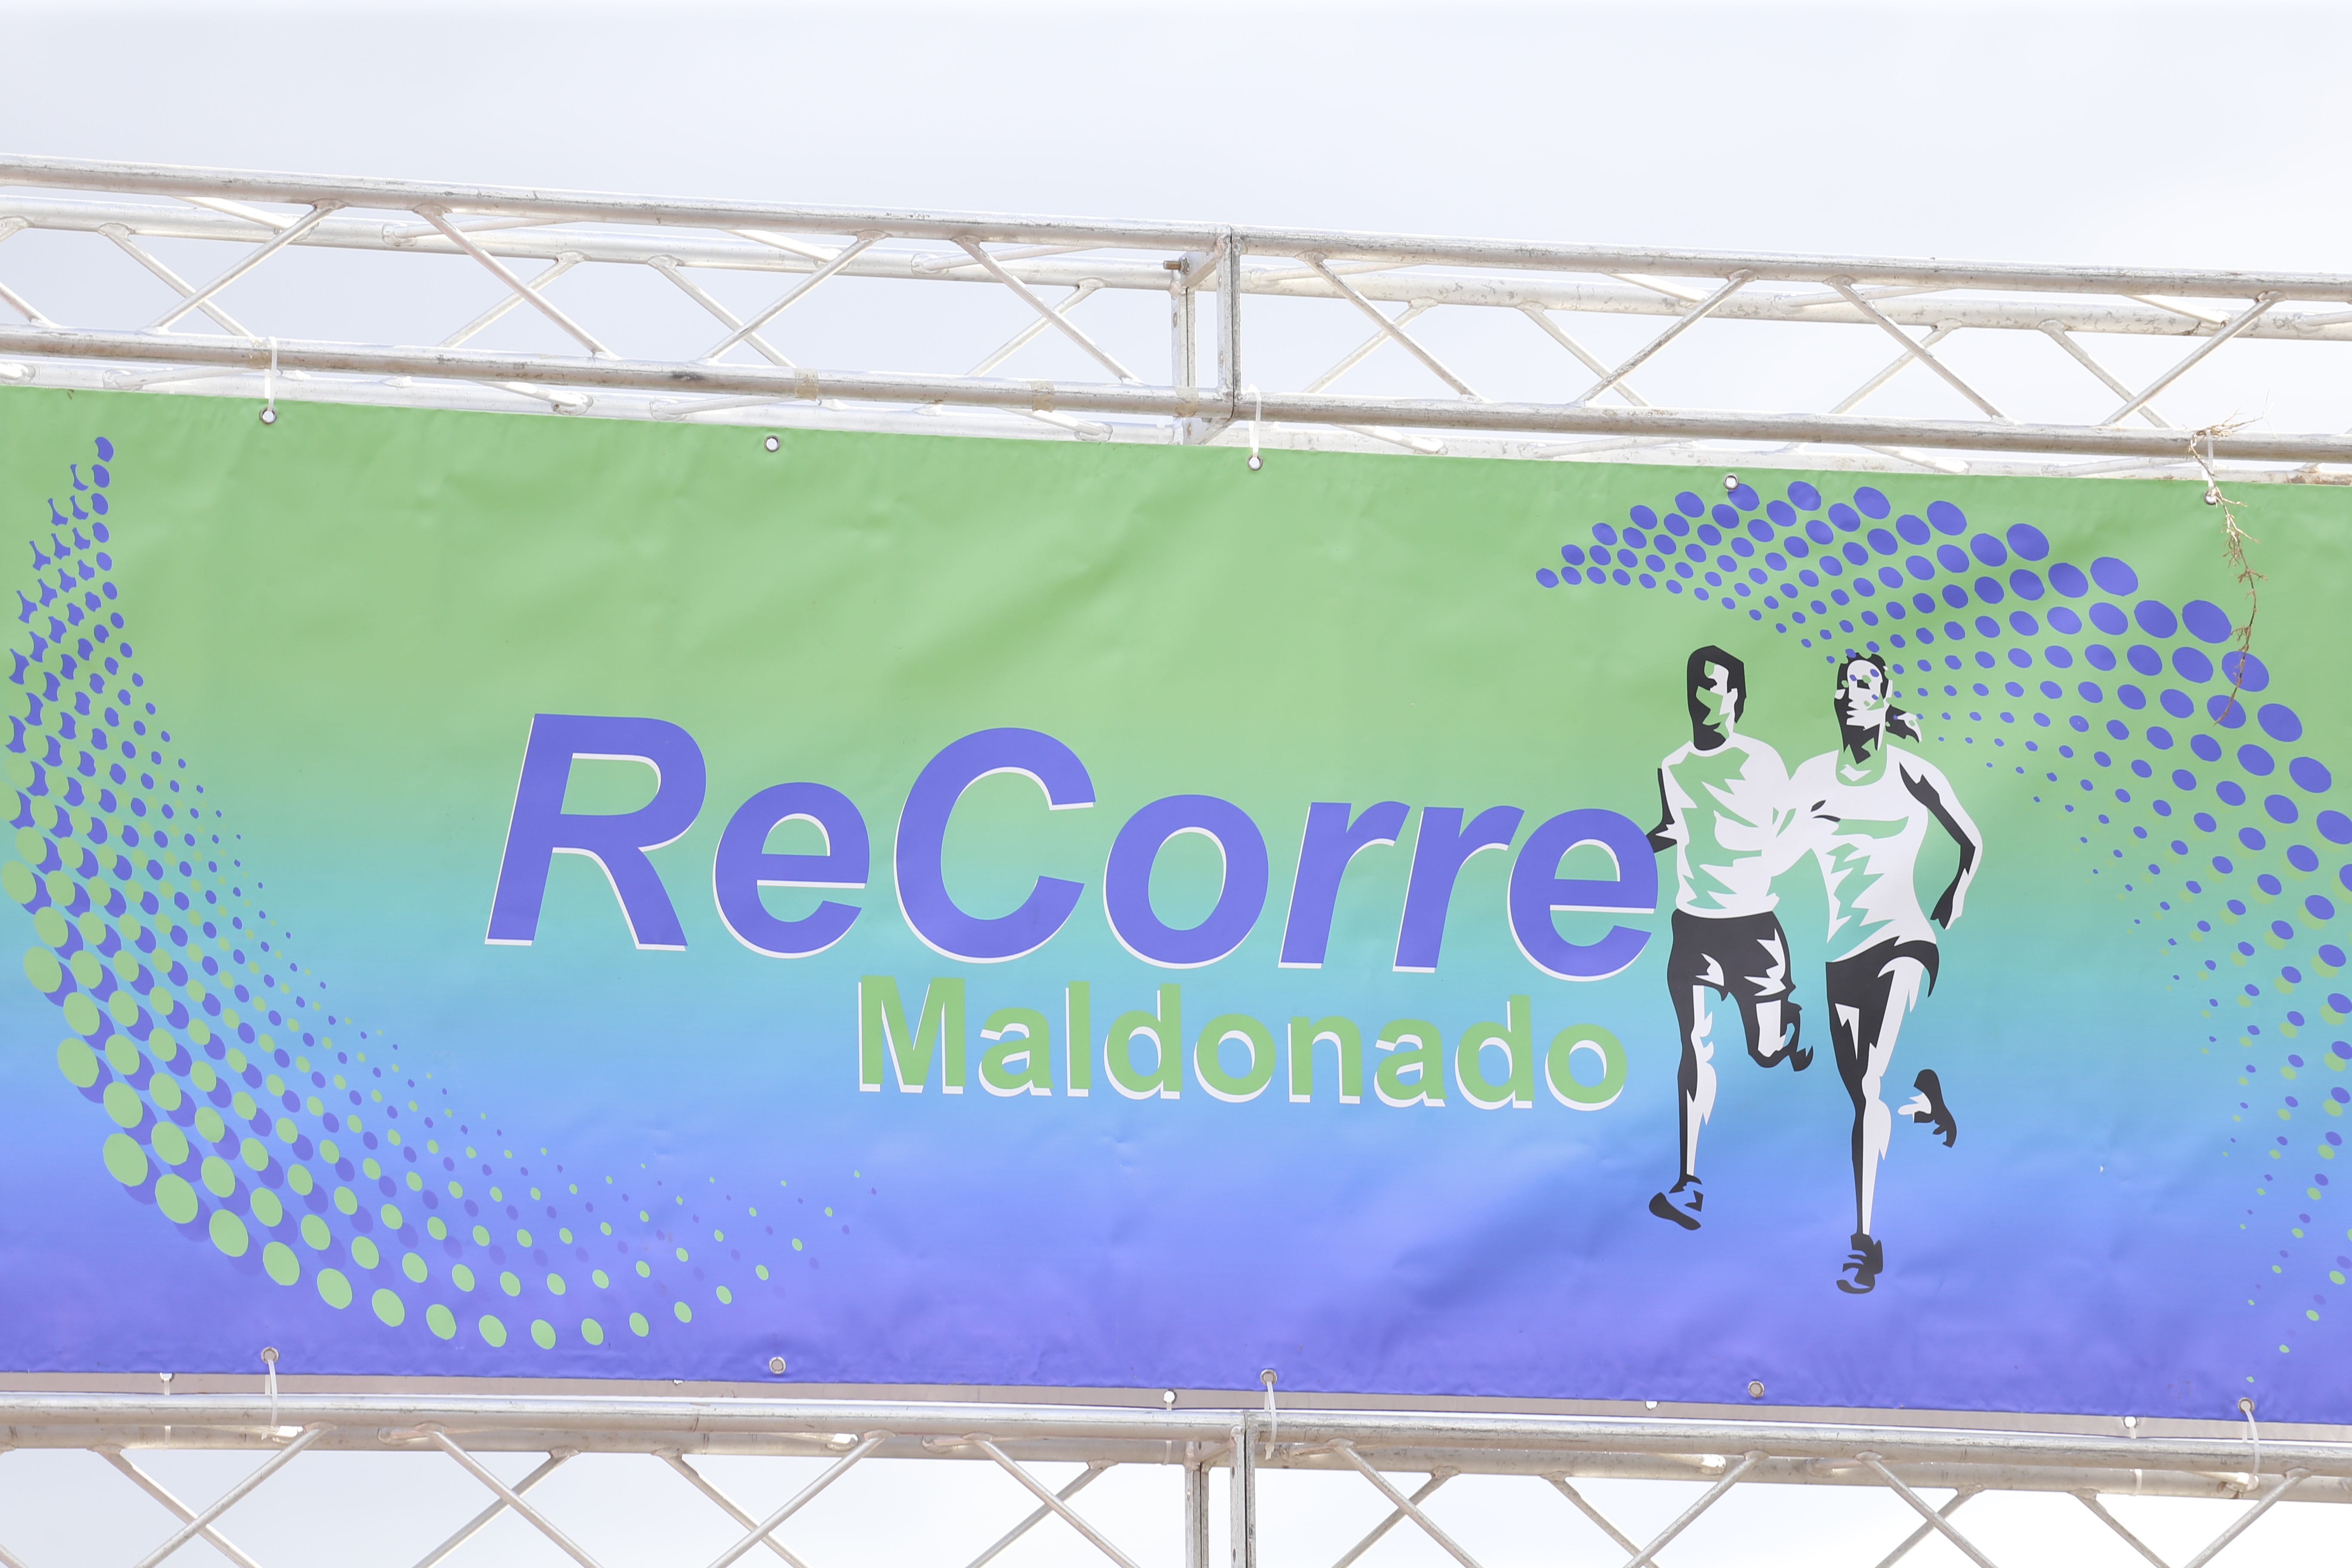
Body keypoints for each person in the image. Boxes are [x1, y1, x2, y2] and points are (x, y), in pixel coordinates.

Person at [1787, 652, 1981, 1294]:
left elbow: (1971, 841)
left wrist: (1956, 891)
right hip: (1841, 954)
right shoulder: (1812, 778)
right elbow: (1775, 848)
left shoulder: (1911, 772)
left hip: (1905, 941)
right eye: (1845, 685)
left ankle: (1863, 1243)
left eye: (1866, 684)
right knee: (1863, 1100)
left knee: (1869, 1081)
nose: (1852, 692)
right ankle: (1924, 1102)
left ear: (1885, 695)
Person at [1644, 646, 1809, 1232]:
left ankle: (1786, 1026)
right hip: (1693, 928)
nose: (1705, 697)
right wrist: (1634, 847)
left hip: (1754, 929)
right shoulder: (1672, 767)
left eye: (1716, 687)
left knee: (1765, 1052)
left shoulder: (1762, 761)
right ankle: (1689, 1181)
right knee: (1695, 1048)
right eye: (1698, 685)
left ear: (1738, 698)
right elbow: (1675, 826)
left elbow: (1790, 827)